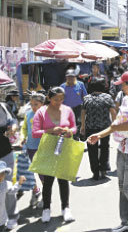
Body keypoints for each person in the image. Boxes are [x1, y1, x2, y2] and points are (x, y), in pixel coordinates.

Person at [87, 71, 128, 232]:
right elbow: (118, 122)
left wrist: (116, 128)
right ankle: (127, 222)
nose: (121, 88)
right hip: (123, 147)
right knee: (122, 187)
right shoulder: (126, 98)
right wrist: (100, 135)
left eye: (122, 85)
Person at [32, 87, 76, 223]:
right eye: (56, 99)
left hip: (64, 147)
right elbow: (35, 132)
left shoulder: (68, 110)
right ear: (49, 98)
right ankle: (46, 209)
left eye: (61, 99)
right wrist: (51, 130)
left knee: (63, 179)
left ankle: (65, 208)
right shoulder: (41, 112)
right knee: (48, 181)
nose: (59, 102)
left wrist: (69, 131)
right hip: (48, 149)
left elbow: (74, 127)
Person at [81, 78, 117, 180]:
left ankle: (95, 172)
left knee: (92, 150)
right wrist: (114, 125)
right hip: (105, 127)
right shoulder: (107, 97)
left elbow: (83, 113)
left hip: (90, 127)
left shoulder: (86, 98)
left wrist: (83, 127)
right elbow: (113, 112)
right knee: (105, 147)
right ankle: (103, 169)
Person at [20, 92, 45, 207]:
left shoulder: (46, 114)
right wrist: (22, 137)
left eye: (36, 104)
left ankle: (46, 195)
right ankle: (35, 190)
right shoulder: (28, 114)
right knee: (30, 172)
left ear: (42, 104)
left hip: (43, 147)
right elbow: (24, 128)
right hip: (30, 147)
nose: (33, 107)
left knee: (42, 173)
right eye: (31, 104)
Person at [0, 101, 19, 230]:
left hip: (5, 152)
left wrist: (13, 128)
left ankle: (12, 217)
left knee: (8, 187)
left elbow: (13, 121)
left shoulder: (3, 106)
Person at [0, 161, 26, 232]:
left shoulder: (5, 184)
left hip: (1, 219)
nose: (1, 176)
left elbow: (13, 190)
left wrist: (19, 183)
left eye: (2, 174)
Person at [61, 69, 87, 137]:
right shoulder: (62, 86)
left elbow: (85, 96)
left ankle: (76, 138)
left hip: (78, 108)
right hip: (66, 109)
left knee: (77, 123)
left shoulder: (80, 84)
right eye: (69, 77)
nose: (70, 78)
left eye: (72, 77)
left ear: (75, 77)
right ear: (66, 77)